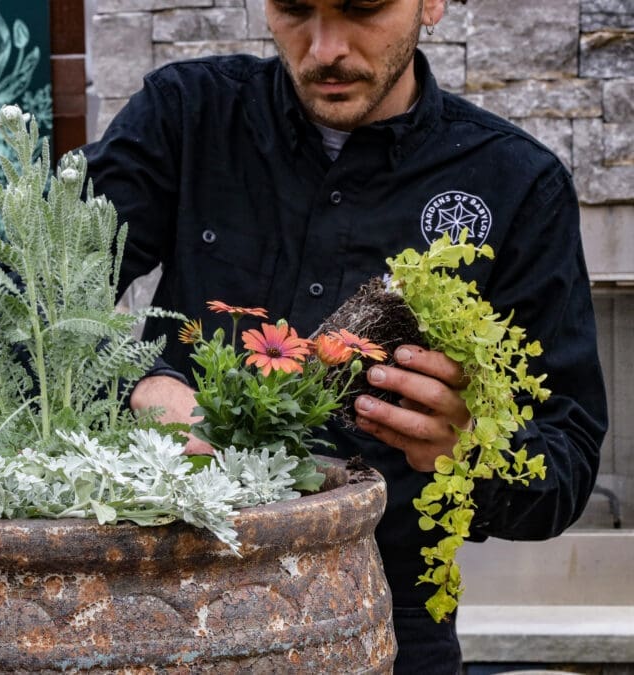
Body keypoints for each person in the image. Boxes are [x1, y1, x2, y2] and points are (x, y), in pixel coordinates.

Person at [81, 0, 609, 672]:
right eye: (296, 9)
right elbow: (28, 293)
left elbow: (566, 454)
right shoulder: (188, 117)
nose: (325, 48)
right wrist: (135, 390)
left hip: (389, 620)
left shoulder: (517, 184)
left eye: (363, 7)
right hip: (171, 607)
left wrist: (468, 448)